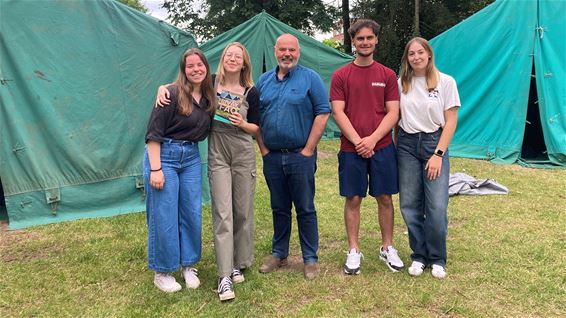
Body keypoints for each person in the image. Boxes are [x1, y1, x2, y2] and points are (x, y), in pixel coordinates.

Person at [156, 43, 260, 301]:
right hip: (218, 153)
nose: (233, 59)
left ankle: (238, 262)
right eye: (228, 55)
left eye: (238, 56)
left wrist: (243, 122)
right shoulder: (211, 84)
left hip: (243, 151)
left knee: (242, 211)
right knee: (222, 212)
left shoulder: (251, 91)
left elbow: (257, 127)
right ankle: (224, 276)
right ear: (222, 60)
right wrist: (163, 88)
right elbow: (185, 84)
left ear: (245, 62)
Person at [330, 19, 404, 275]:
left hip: (382, 147)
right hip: (351, 149)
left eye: (369, 38)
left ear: (376, 40)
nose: (365, 42)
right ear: (353, 41)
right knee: (353, 198)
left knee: (385, 197)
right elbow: (338, 112)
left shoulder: (386, 75)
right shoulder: (341, 75)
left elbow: (393, 112)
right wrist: (358, 141)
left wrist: (372, 140)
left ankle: (387, 247)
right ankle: (353, 250)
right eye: (360, 38)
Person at [256, 34, 330, 280]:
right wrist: (264, 149)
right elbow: (255, 118)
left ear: (298, 51)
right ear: (275, 51)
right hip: (273, 157)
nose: (287, 54)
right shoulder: (263, 81)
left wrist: (308, 149)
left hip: (301, 155)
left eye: (292, 50)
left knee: (305, 208)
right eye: (282, 50)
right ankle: (279, 254)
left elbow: (322, 112)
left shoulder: (310, 78)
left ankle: (310, 258)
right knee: (279, 207)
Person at [144, 48, 215, 293]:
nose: (196, 69)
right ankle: (162, 271)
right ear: (183, 70)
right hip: (165, 155)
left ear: (206, 67)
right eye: (190, 66)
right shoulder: (171, 94)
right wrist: (156, 169)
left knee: (191, 211)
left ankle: (188, 265)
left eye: (200, 65)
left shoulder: (209, 96)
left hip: (191, 158)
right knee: (164, 214)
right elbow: (153, 133)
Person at [396, 37, 460, 279]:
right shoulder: (401, 83)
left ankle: (437, 257)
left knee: (436, 205)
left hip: (435, 142)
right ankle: (419, 255)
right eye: (411, 53)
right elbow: (396, 117)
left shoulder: (445, 82)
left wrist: (438, 155)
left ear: (429, 55)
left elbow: (451, 121)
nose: (416, 57)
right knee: (410, 204)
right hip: (407, 146)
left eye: (420, 52)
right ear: (407, 58)